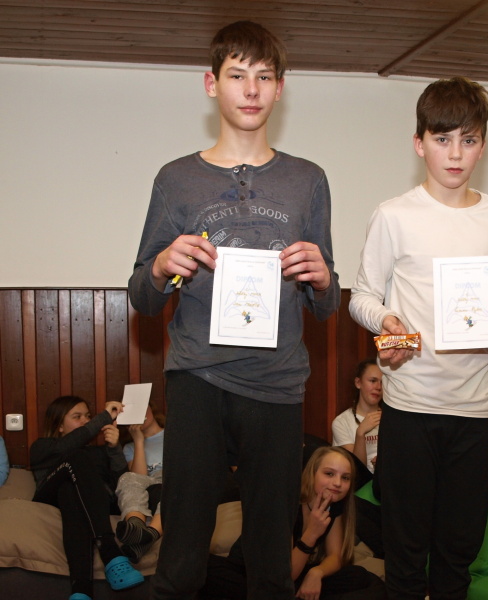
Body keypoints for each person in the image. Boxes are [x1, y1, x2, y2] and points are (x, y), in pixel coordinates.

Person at [127, 20, 340, 599]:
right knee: (182, 554)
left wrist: (324, 279)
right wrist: (161, 264)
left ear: (280, 88)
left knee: (270, 556)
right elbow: (143, 296)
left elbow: (325, 306)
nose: (251, 89)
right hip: (198, 378)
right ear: (211, 84)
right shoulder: (175, 179)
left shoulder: (308, 180)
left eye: (264, 77)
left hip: (278, 383)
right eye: (237, 75)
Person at [349, 76, 488, 600]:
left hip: (474, 411)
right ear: (419, 143)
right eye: (442, 139)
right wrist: (386, 321)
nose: (455, 153)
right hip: (408, 406)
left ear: (482, 146)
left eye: (468, 140)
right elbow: (361, 297)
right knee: (405, 549)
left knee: (459, 548)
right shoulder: (394, 214)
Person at [199, 446, 385, 599]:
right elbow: (283, 577)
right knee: (206, 569)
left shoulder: (334, 505)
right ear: (312, 474)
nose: (337, 483)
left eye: (345, 478)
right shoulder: (286, 504)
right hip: (252, 576)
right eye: (329, 474)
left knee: (359, 577)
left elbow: (336, 556)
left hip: (292, 576)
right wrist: (312, 533)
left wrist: (316, 573)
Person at [29, 396, 144, 600]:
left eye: (88, 416)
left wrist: (114, 449)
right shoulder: (43, 446)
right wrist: (103, 418)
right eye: (77, 417)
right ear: (59, 426)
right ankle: (109, 549)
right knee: (76, 458)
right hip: (49, 494)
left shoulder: (98, 452)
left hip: (84, 501)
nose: (85, 421)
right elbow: (66, 447)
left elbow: (121, 486)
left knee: (69, 492)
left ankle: (81, 591)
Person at [115, 403, 165, 562]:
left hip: (172, 480)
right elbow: (138, 477)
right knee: (127, 477)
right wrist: (138, 441)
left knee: (172, 481)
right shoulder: (129, 448)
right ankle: (136, 526)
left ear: (151, 407)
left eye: (142, 407)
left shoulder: (174, 433)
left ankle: (148, 537)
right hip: (149, 487)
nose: (140, 414)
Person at [332, 358, 382, 474]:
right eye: (373, 381)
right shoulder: (341, 422)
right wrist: (360, 433)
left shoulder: (391, 419)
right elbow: (356, 470)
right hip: (361, 482)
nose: (378, 387)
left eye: (383, 382)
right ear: (358, 383)